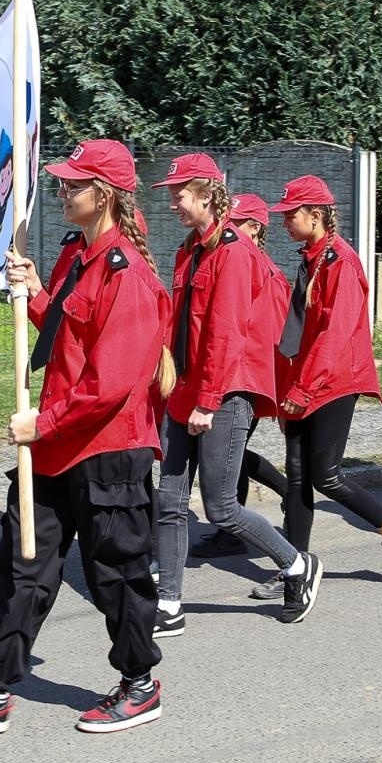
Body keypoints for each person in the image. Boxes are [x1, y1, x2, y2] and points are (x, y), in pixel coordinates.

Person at [0, 140, 173, 735]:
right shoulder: (79, 260)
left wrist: (42, 424)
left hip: (108, 448)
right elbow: (67, 337)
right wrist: (35, 294)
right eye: (60, 182)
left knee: (116, 577)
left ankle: (139, 684)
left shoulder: (127, 275)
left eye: (72, 184)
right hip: (58, 446)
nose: (61, 192)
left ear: (103, 195)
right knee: (24, 566)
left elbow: (111, 383)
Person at [151, 155, 322, 634]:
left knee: (221, 506)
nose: (173, 204)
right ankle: (169, 603)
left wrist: (208, 401)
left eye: (179, 194)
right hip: (185, 389)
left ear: (206, 193)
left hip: (224, 393)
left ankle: (296, 565)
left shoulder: (234, 252)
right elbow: (179, 326)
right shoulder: (190, 251)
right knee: (169, 498)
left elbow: (225, 334)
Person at [270, 175, 382, 581]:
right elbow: (297, 331)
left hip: (334, 383)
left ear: (315, 216)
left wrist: (302, 389)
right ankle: (294, 567)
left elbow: (334, 337)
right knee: (297, 478)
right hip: (305, 382)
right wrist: (286, 389)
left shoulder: (342, 262)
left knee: (327, 476)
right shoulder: (312, 257)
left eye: (290, 215)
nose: (284, 222)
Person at [188, 192, 290, 564]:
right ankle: (230, 529)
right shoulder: (226, 259)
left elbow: (278, 337)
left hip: (245, 380)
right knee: (230, 457)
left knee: (228, 458)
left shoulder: (263, 269)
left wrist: (282, 395)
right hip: (228, 376)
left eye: (236, 223)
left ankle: (281, 499)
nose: (227, 229)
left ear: (255, 228)